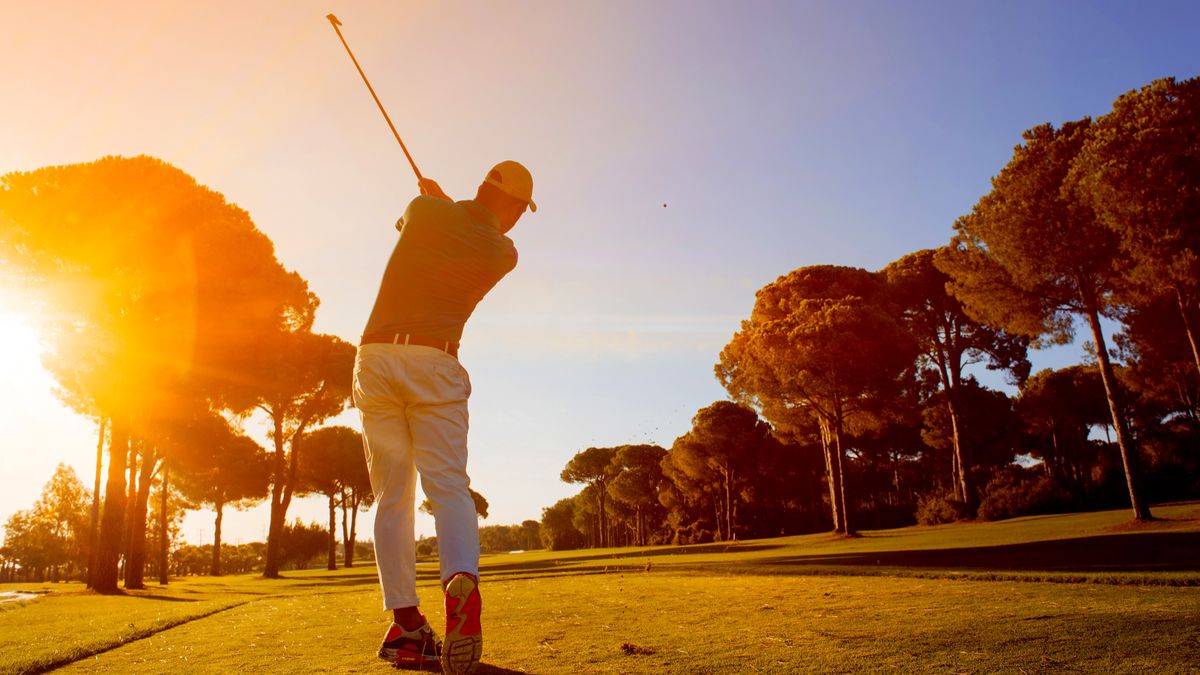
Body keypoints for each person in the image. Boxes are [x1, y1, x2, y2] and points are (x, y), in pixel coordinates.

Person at [352, 161, 535, 674]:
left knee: (391, 495)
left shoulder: (423, 209)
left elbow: (423, 229)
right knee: (449, 487)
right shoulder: (504, 253)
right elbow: (469, 233)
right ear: (517, 207)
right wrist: (447, 205)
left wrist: (441, 203)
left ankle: (407, 623)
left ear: (482, 187)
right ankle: (461, 582)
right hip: (435, 363)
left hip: (377, 359)